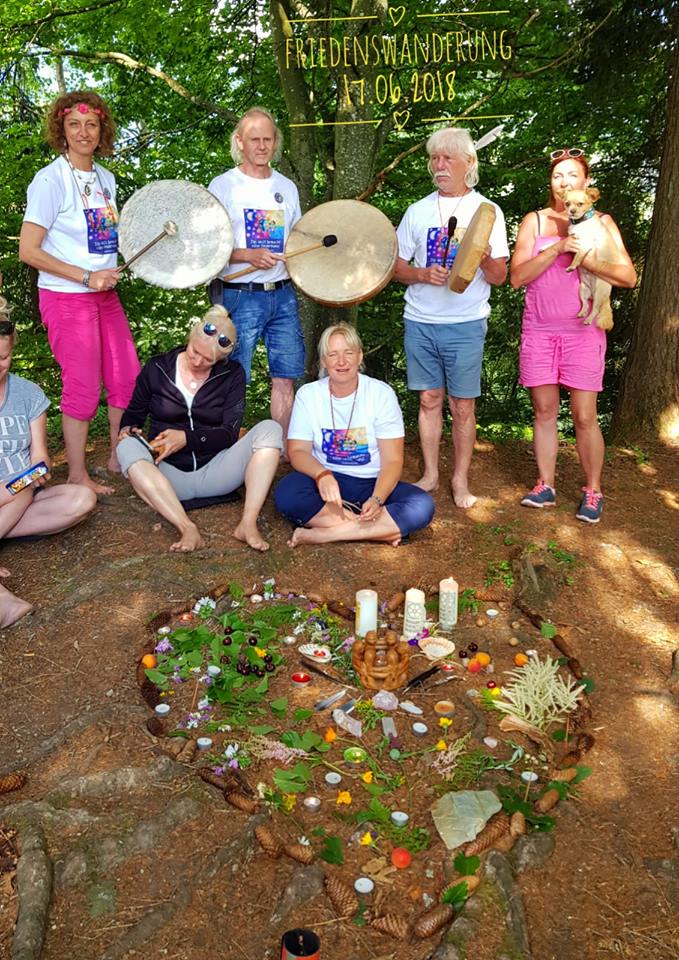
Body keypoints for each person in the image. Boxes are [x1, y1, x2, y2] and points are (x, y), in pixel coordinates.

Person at [19, 90, 140, 496]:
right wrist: (87, 277)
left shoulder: (106, 179)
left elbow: (103, 240)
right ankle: (77, 475)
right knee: (84, 385)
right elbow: (28, 250)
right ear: (62, 130)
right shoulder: (50, 180)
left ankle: (117, 457)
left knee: (126, 375)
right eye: (74, 124)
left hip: (106, 295)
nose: (84, 132)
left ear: (102, 129)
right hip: (66, 297)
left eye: (91, 124)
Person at [510, 149, 636, 523]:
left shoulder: (602, 222)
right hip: (540, 330)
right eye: (557, 176)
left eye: (572, 175)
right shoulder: (534, 221)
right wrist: (559, 248)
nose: (563, 182)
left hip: (584, 330)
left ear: (585, 182)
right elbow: (517, 277)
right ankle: (545, 485)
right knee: (544, 411)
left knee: (584, 415)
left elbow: (628, 277)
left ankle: (593, 490)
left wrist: (588, 259)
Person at [394, 126, 509, 508]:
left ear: (468, 163)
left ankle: (460, 479)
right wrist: (422, 274)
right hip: (421, 320)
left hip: (466, 323)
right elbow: (396, 268)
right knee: (429, 399)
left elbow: (500, 276)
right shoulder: (418, 211)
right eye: (434, 158)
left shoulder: (487, 212)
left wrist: (484, 256)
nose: (439, 165)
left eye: (447, 158)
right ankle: (430, 474)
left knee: (462, 405)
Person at [117, 305, 282, 552]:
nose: (197, 361)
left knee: (271, 429)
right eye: (195, 352)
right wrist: (128, 428)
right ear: (190, 337)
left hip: (218, 471)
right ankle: (187, 528)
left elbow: (229, 433)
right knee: (126, 446)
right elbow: (134, 413)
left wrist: (187, 438)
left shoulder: (232, 374)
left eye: (208, 360)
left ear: (221, 359)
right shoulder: (157, 368)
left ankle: (248, 524)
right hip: (168, 478)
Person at [274, 323, 435, 548]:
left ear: (360, 356)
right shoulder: (308, 395)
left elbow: (392, 460)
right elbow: (298, 451)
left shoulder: (381, 394)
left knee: (422, 505)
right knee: (287, 492)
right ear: (323, 361)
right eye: (333, 354)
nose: (341, 361)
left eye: (348, 353)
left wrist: (377, 499)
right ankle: (379, 531)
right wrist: (322, 475)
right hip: (327, 483)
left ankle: (325, 534)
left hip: (372, 482)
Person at [207, 107, 305, 449]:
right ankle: (226, 449)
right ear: (240, 142)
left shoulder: (286, 187)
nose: (262, 146)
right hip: (238, 294)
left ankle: (281, 449)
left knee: (285, 375)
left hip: (283, 294)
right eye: (254, 139)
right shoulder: (222, 186)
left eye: (268, 139)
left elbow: (298, 240)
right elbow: (207, 248)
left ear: (275, 142)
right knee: (233, 376)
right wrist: (246, 255)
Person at [0, 299, 96, 628]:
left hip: (21, 494)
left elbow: (40, 457)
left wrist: (34, 473)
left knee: (81, 499)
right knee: (20, 490)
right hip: (9, 495)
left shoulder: (28, 394)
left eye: (4, 357)